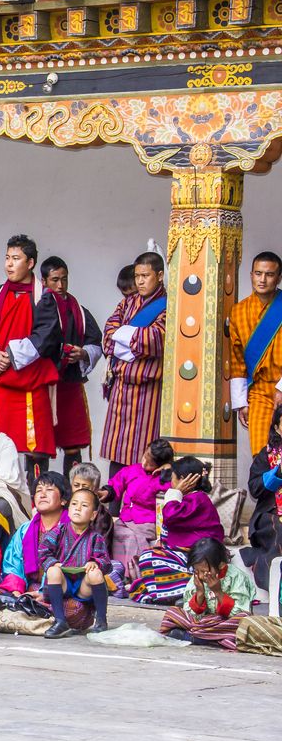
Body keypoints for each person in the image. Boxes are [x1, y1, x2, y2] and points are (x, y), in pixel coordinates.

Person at [0, 235, 62, 488]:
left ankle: (37, 496)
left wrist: (10, 357)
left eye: (16, 259)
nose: (9, 265)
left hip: (29, 382)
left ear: (31, 262)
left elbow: (46, 336)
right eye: (7, 258)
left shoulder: (43, 298)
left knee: (35, 448)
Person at [100, 251, 167, 477]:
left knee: (142, 452)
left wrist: (124, 336)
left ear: (159, 275)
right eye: (137, 275)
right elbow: (108, 334)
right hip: (120, 388)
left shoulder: (169, 306)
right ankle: (112, 503)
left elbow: (156, 339)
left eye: (145, 276)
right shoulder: (127, 303)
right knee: (116, 451)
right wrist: (131, 341)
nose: (139, 281)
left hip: (147, 390)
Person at [129, 457, 224, 605]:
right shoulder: (191, 499)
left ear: (182, 480)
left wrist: (176, 492)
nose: (170, 484)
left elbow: (171, 516)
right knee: (145, 568)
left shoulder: (198, 499)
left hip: (200, 557)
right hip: (185, 555)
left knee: (148, 558)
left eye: (173, 479)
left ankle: (190, 589)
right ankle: (180, 592)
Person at [41, 256, 103, 475]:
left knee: (73, 442)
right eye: (55, 280)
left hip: (69, 384)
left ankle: (71, 492)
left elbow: (95, 340)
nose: (60, 285)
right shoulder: (35, 308)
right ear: (43, 281)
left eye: (64, 279)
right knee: (39, 446)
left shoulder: (78, 310)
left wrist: (84, 353)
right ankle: (38, 494)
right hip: (41, 385)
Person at [159, 538, 255, 650]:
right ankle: (211, 638)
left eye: (204, 571)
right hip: (204, 622)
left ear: (221, 565)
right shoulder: (197, 578)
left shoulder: (237, 578)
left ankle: (196, 637)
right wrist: (199, 594)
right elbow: (191, 614)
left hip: (226, 623)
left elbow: (241, 612)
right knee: (172, 612)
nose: (200, 576)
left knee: (244, 620)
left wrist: (218, 592)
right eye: (196, 571)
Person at [40, 488, 112, 638]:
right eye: (74, 504)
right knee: (52, 571)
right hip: (63, 583)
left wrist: (95, 563)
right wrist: (54, 563)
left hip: (83, 586)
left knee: (96, 574)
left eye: (84, 505)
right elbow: (43, 551)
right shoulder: (59, 531)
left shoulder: (95, 537)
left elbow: (105, 561)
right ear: (68, 508)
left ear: (93, 515)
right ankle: (60, 621)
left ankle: (101, 620)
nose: (78, 508)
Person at [230, 251, 282, 454]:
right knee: (261, 453)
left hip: (280, 384)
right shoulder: (239, 311)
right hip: (259, 392)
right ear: (251, 274)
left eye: (269, 274)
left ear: (278, 278)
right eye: (258, 273)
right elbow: (236, 358)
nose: (262, 279)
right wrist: (241, 402)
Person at [106, 438, 173, 580]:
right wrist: (108, 492)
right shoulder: (132, 470)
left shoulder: (162, 479)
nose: (144, 462)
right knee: (123, 534)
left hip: (146, 523)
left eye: (150, 463)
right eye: (145, 456)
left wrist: (166, 472)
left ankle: (131, 577)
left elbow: (170, 490)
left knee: (131, 538)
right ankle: (130, 574)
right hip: (125, 519)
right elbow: (117, 483)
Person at [0, 471, 69, 596]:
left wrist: (44, 592)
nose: (42, 494)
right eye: (39, 490)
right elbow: (13, 564)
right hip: (33, 587)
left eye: (49, 490)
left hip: (64, 588)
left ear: (63, 500)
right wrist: (16, 591)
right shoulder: (25, 530)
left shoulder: (72, 529)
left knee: (74, 608)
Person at [242, 406, 282, 591]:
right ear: (277, 427)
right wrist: (277, 474)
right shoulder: (266, 455)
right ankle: (275, 585)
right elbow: (254, 489)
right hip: (271, 512)